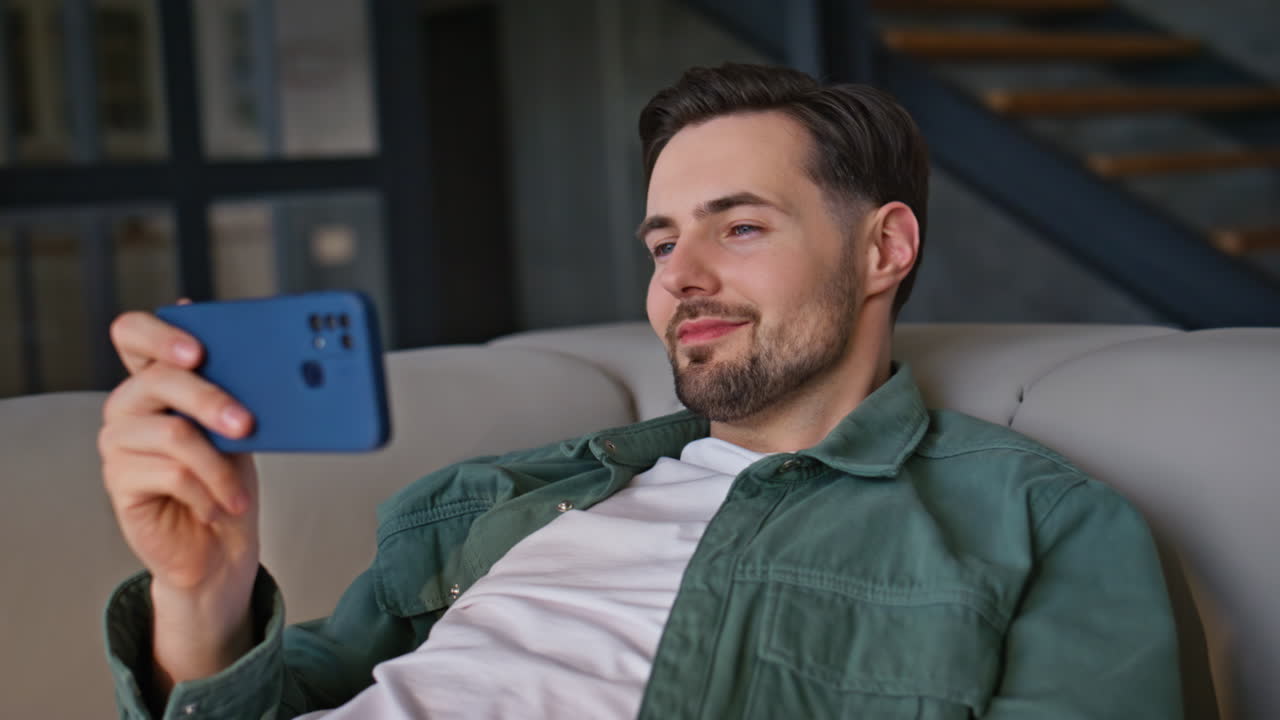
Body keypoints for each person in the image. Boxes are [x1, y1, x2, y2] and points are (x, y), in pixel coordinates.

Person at [101, 63, 1180, 719]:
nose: (679, 276)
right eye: (662, 240)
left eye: (739, 227)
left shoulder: (1035, 525)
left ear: (882, 248)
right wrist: (202, 592)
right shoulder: (493, 501)